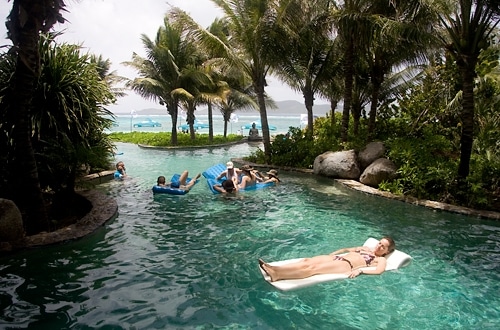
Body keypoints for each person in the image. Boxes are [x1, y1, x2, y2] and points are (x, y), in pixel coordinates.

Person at [259, 237, 396, 282]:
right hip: (337, 258)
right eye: (379, 243)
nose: (379, 246)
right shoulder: (366, 248)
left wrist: (360, 271)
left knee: (313, 269)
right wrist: (335, 253)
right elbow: (347, 250)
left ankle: (278, 275)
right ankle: (275, 268)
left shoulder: (379, 259)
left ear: (386, 252)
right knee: (306, 261)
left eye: (383, 247)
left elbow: (379, 271)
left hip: (347, 265)